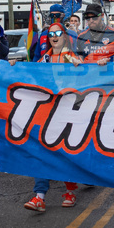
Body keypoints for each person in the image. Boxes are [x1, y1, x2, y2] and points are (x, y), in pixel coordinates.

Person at [23, 21, 82, 212]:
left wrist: (85, 65)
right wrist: (14, 67)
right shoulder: (44, 59)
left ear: (65, 36)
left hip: (67, 112)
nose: (54, 36)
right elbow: (28, 76)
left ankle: (71, 191)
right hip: (46, 113)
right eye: (50, 34)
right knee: (41, 152)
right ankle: (39, 196)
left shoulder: (69, 57)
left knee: (64, 153)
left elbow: (83, 71)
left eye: (58, 33)